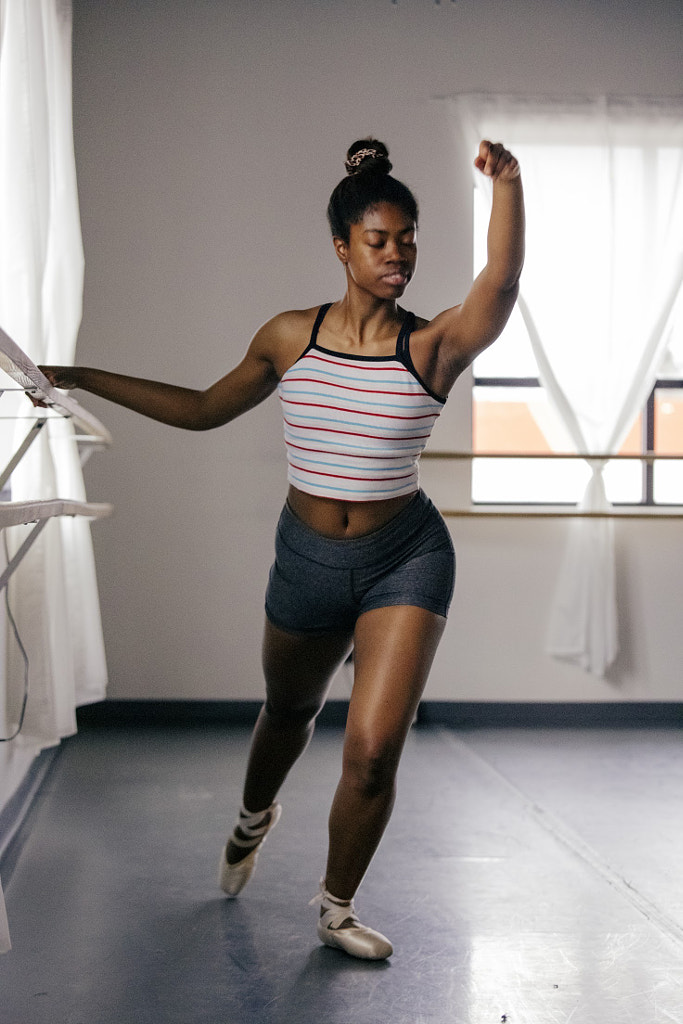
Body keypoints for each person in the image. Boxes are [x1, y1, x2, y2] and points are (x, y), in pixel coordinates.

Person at [38, 137, 524, 960]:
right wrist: (82, 376)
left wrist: (506, 185)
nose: (398, 253)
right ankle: (251, 818)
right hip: (305, 558)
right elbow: (200, 408)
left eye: (408, 239)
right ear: (342, 246)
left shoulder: (432, 345)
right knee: (287, 714)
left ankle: (336, 908)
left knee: (371, 753)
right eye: (380, 240)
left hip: (405, 557)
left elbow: (500, 284)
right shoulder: (289, 336)